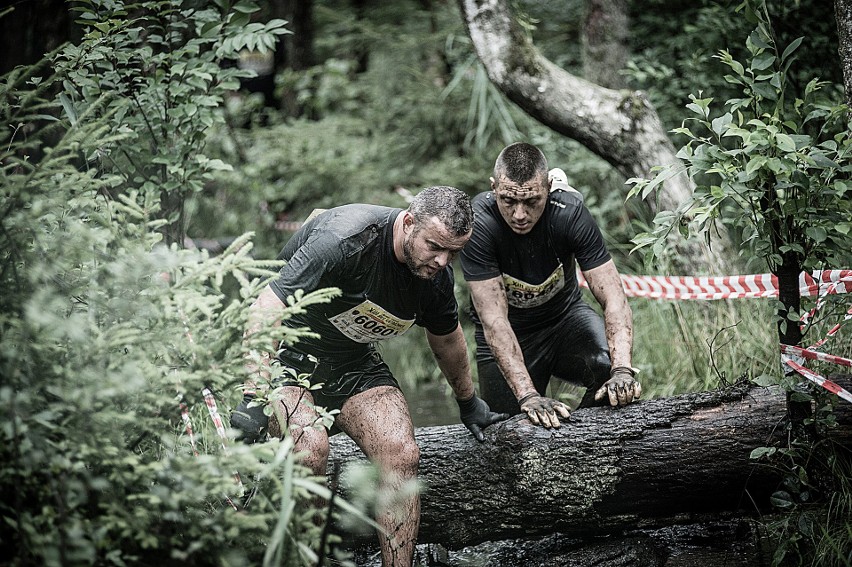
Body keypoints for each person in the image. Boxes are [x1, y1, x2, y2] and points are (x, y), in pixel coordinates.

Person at [231, 186, 508, 567]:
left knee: (401, 451)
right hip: (289, 354)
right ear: (408, 223)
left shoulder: (435, 278)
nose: (443, 261)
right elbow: (267, 307)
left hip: (353, 362)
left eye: (453, 253)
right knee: (309, 449)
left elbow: (448, 341)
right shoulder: (345, 239)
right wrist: (255, 394)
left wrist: (468, 401)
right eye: (434, 246)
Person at [459, 142, 640, 429]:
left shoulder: (568, 213)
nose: (519, 215)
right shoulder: (480, 223)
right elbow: (494, 321)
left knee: (608, 370)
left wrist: (622, 370)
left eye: (531, 201)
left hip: (565, 320)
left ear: (548, 186)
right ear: (494, 188)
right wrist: (528, 395)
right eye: (508, 200)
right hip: (509, 332)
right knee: (509, 430)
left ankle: (577, 439)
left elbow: (614, 298)